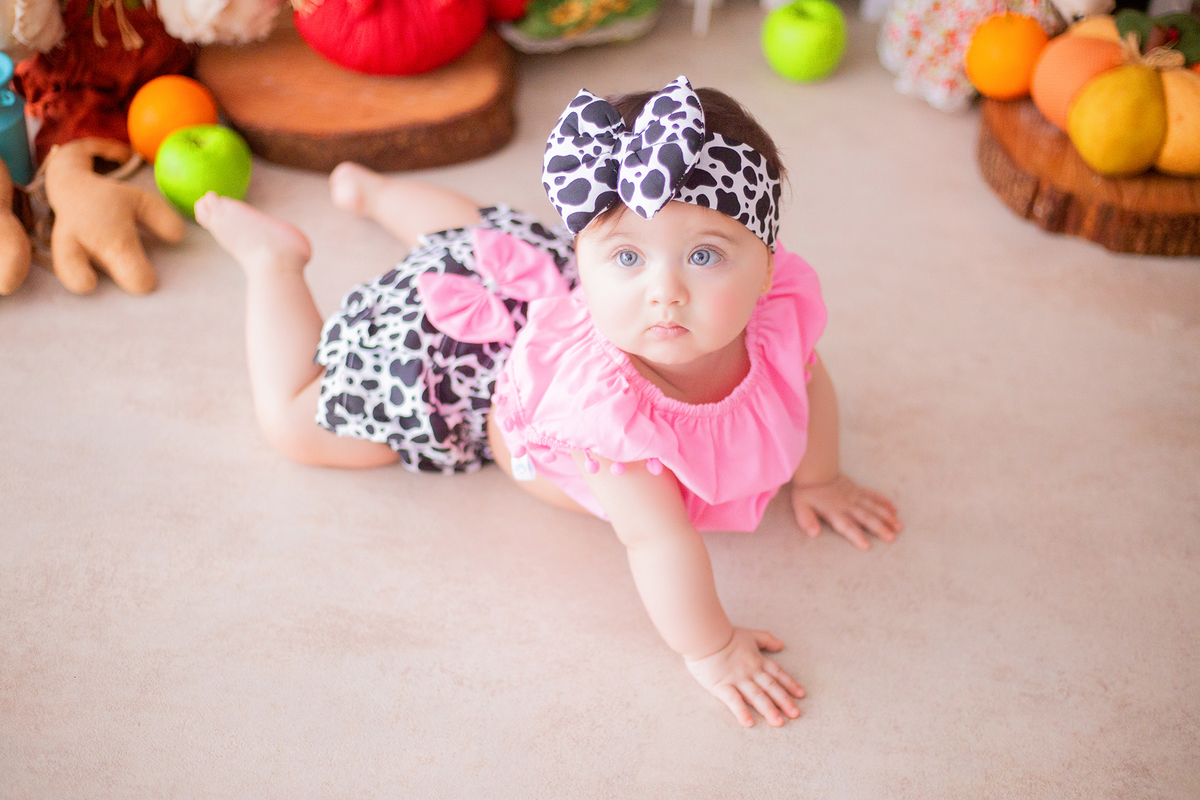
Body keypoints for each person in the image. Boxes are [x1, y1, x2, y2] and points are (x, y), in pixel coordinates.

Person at [197, 76, 903, 728]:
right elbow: (658, 539)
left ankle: (374, 192)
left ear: (768, 264)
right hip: (458, 373)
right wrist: (713, 651)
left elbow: (809, 382)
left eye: (705, 255)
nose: (665, 292)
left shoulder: (777, 318)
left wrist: (822, 475)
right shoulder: (612, 414)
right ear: (589, 259)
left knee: (485, 238)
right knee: (297, 421)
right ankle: (274, 262)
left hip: (535, 281)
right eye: (627, 257)